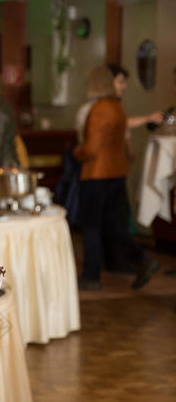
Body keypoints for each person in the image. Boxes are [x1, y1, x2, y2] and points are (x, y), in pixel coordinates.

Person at [74, 65, 159, 291]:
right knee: (115, 225)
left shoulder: (99, 109)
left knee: (91, 226)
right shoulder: (117, 108)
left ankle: (91, 276)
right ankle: (142, 260)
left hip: (96, 174)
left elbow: (91, 149)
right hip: (116, 173)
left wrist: (76, 153)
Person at [106, 64, 164, 161]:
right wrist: (148, 118)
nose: (125, 86)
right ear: (107, 83)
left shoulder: (115, 105)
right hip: (106, 161)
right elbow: (120, 123)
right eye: (120, 82)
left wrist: (129, 146)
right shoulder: (99, 107)